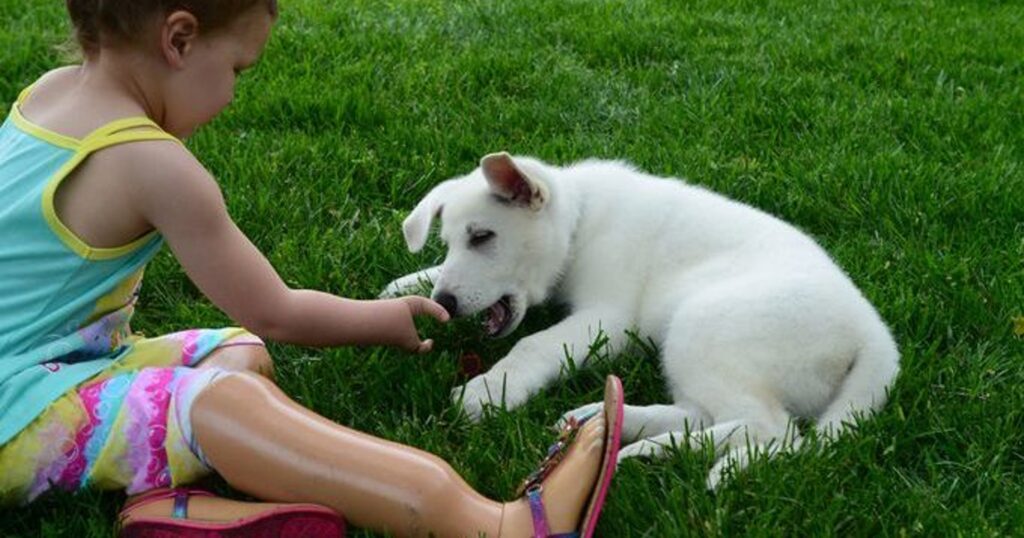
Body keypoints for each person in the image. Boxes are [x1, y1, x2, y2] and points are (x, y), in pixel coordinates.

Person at [0, 1, 625, 536]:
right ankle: (500, 522)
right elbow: (275, 311)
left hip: (60, 363)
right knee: (221, 400)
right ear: (179, 39)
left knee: (237, 354)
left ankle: (167, 503)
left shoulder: (50, 91)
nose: (234, 91)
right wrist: (381, 320)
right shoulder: (152, 164)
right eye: (236, 69)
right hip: (14, 413)